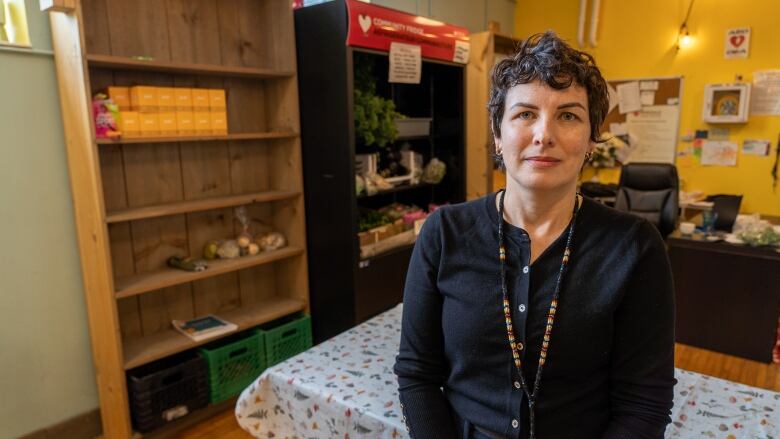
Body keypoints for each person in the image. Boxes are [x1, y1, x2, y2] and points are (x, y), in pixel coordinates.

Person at [393, 31, 675, 439]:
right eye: (525, 114)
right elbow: (417, 374)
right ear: (497, 134)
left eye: (568, 115)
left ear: (592, 139)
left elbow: (644, 402)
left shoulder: (636, 246)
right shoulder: (443, 233)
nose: (544, 134)